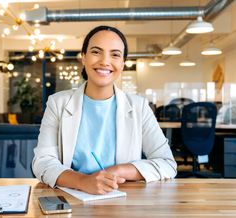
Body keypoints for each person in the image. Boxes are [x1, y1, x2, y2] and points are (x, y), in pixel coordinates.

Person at [32, 25, 177, 195]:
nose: (105, 61)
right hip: (70, 197)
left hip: (122, 198)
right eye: (96, 52)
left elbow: (167, 163)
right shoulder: (57, 103)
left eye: (115, 54)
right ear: (83, 58)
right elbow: (42, 162)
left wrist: (117, 171)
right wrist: (83, 181)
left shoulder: (139, 107)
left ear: (122, 64)